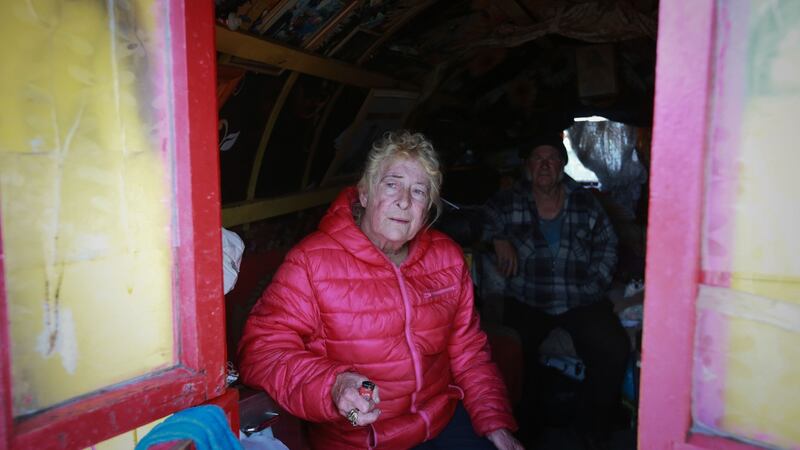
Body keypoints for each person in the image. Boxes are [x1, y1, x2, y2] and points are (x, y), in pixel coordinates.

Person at [238, 131, 523, 450]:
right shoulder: (312, 262)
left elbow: (468, 350)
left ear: (427, 208)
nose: (404, 200)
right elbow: (261, 352)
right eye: (392, 184)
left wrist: (495, 422)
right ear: (364, 193)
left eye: (419, 191)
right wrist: (333, 385)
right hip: (360, 439)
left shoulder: (447, 258)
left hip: (439, 422)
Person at [483, 134, 629, 447]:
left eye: (552, 158)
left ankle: (592, 427)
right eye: (538, 158)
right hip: (528, 297)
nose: (545, 165)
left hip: (581, 297)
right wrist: (497, 237)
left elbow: (608, 243)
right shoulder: (508, 200)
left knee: (613, 348)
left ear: (562, 165)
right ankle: (523, 431)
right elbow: (483, 218)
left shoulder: (585, 200)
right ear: (527, 167)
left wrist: (597, 282)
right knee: (509, 354)